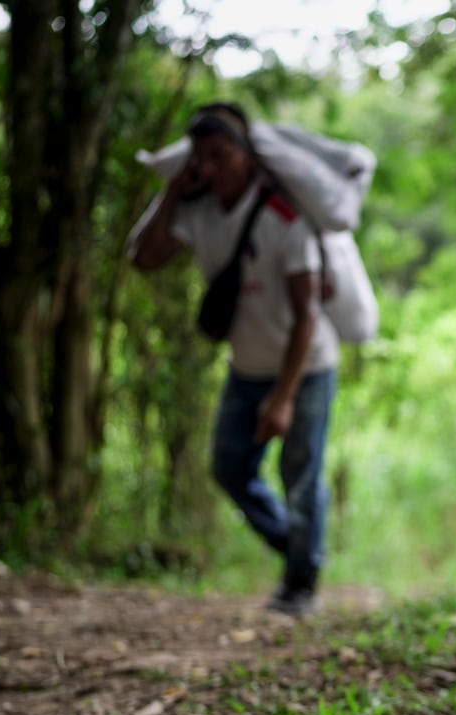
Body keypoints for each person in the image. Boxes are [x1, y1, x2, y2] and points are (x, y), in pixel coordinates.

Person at [130, 102, 339, 618]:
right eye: (200, 159)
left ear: (247, 158)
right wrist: (173, 190)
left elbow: (307, 311)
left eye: (221, 155)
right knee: (228, 468)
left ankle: (300, 583)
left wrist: (283, 398)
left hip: (305, 368)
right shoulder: (198, 213)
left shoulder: (281, 218)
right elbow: (144, 258)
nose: (210, 168)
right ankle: (297, 547)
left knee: (301, 474)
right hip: (245, 369)